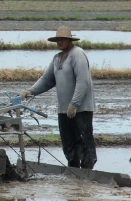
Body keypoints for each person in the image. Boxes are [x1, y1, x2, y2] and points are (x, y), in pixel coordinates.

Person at [20, 26, 97, 169]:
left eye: (63, 39)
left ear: (69, 40)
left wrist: (74, 104)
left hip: (80, 110)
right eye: (58, 39)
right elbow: (47, 80)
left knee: (84, 143)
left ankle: (87, 174)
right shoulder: (56, 58)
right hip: (64, 110)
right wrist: (30, 91)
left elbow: (83, 81)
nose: (60, 42)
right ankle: (73, 172)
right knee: (69, 145)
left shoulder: (77, 54)